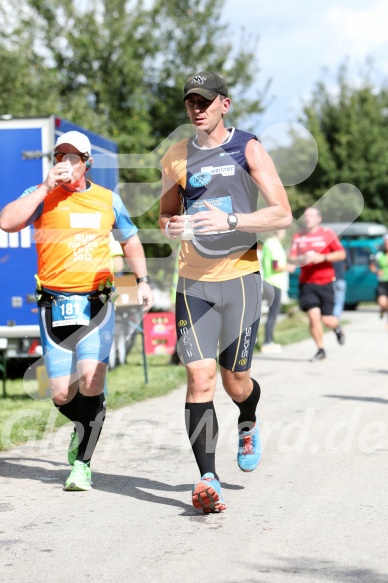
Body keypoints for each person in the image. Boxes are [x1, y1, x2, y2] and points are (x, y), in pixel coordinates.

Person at [159, 71, 292, 512]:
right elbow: (166, 216)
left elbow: (281, 214)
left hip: (240, 278)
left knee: (236, 384)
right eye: (190, 102)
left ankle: (248, 419)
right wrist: (172, 226)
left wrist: (233, 221)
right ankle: (206, 478)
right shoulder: (175, 157)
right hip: (193, 282)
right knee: (199, 378)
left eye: (204, 101)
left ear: (224, 104)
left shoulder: (247, 147)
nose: (196, 109)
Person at [0, 130, 153, 491]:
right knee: (60, 394)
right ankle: (86, 422)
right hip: (53, 304)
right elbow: (7, 222)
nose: (65, 163)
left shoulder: (107, 199)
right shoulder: (42, 196)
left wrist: (142, 280)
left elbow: (129, 238)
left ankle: (82, 465)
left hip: (96, 302)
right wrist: (42, 187)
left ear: (87, 162)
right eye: (59, 156)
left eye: (72, 157)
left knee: (91, 380)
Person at [288, 207, 346, 362]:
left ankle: (337, 328)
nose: (307, 218)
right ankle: (320, 350)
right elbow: (291, 258)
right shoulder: (298, 236)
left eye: (311, 216)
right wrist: (301, 258)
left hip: (326, 282)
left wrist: (323, 258)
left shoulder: (327, 234)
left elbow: (341, 254)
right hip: (307, 284)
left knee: (327, 319)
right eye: (306, 216)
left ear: (318, 219)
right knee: (314, 318)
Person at [261, 229, 293, 353]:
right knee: (273, 314)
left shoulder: (272, 243)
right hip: (273, 283)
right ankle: (267, 343)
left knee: (272, 314)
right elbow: (276, 266)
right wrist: (288, 267)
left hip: (273, 283)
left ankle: (270, 341)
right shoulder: (272, 244)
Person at [369, 233, 388, 322]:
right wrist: (377, 271)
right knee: (382, 302)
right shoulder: (379, 254)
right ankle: (382, 308)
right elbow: (372, 266)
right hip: (383, 281)